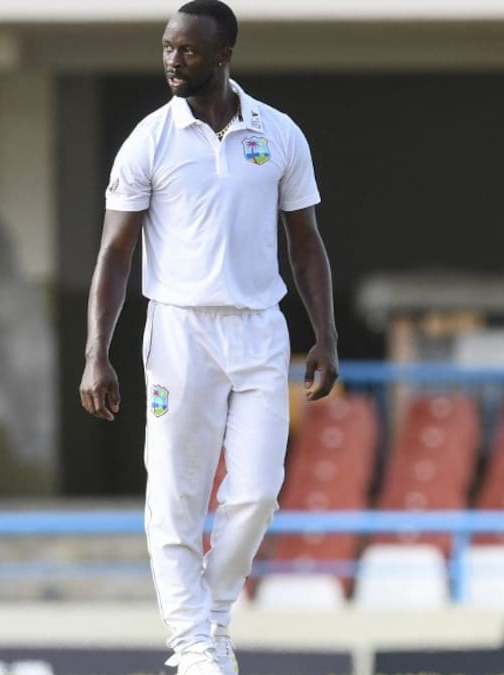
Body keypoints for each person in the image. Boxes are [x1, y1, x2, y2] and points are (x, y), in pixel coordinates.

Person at [78, 2, 339, 673]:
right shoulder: (149, 140)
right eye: (168, 47)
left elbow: (305, 243)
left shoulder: (278, 133)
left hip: (259, 330)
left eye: (188, 50)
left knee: (257, 493)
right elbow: (115, 253)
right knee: (176, 494)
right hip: (179, 330)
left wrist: (326, 335)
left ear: (224, 56)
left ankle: (214, 616)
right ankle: (194, 641)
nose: (173, 60)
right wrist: (96, 353)